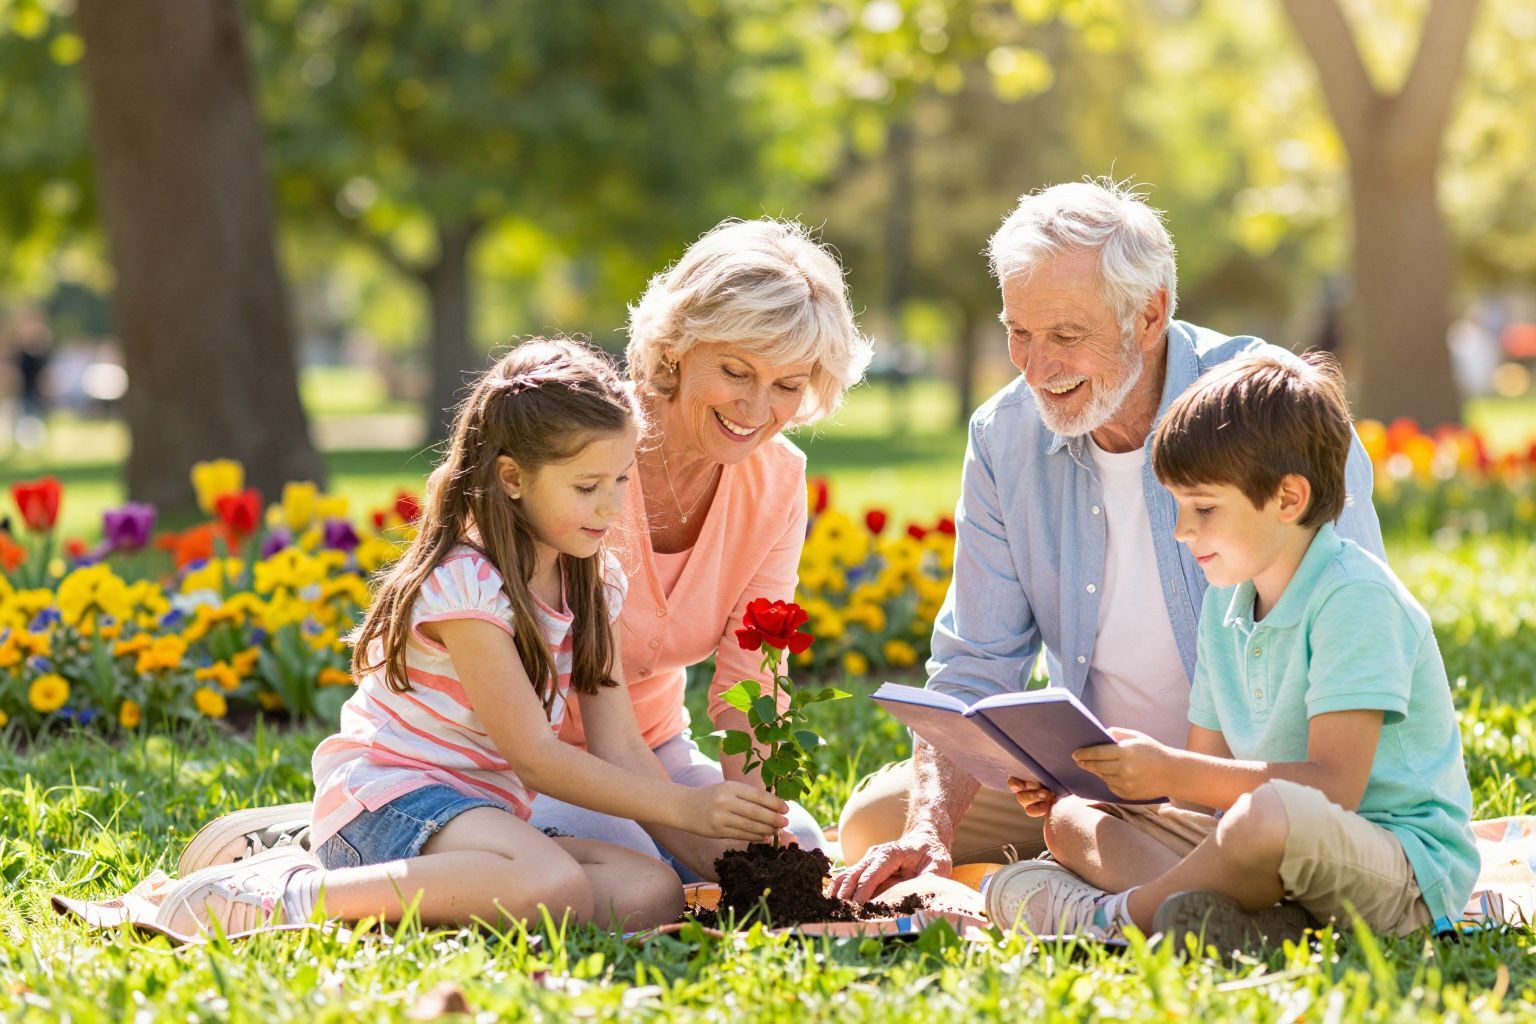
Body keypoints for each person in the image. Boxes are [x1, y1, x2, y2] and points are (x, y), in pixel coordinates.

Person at [178, 218, 874, 882]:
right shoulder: (576, 450)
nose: (757, 408)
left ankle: (382, 838)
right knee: (636, 856)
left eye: (788, 385)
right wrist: (683, 823)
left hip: (642, 749)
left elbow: (750, 681)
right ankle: (340, 832)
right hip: (491, 763)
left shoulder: (777, 480)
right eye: (735, 371)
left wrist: (755, 831)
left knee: (794, 851)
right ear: (676, 350)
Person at [833, 180, 1385, 903]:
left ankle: (1193, 887)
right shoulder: (1005, 437)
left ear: (1149, 314)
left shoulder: (1274, 414)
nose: (1035, 369)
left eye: (1065, 336)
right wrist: (930, 833)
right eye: (1018, 333)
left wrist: (1191, 782)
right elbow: (973, 666)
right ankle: (1192, 887)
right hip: (1103, 776)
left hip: (1258, 777)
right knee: (873, 825)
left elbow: (1348, 638)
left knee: (1249, 836)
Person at [151, 339, 792, 937]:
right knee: (553, 886)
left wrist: (733, 850)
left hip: (480, 819)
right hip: (394, 799)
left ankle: (375, 881)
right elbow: (536, 756)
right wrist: (687, 809)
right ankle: (277, 896)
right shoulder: (465, 586)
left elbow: (620, 744)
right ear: (513, 478)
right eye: (588, 487)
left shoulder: (595, 584)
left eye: (622, 481)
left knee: (647, 889)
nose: (610, 507)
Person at [981, 353, 1478, 951]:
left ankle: (1112, 921)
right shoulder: (1226, 606)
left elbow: (1334, 789)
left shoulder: (1355, 598)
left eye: (1205, 509)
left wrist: (1170, 769)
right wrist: (1103, 773)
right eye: (1178, 507)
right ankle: (1255, 922)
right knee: (1069, 821)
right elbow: (1194, 795)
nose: (1181, 532)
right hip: (1270, 852)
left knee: (1264, 818)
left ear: (1289, 498)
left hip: (1398, 867)